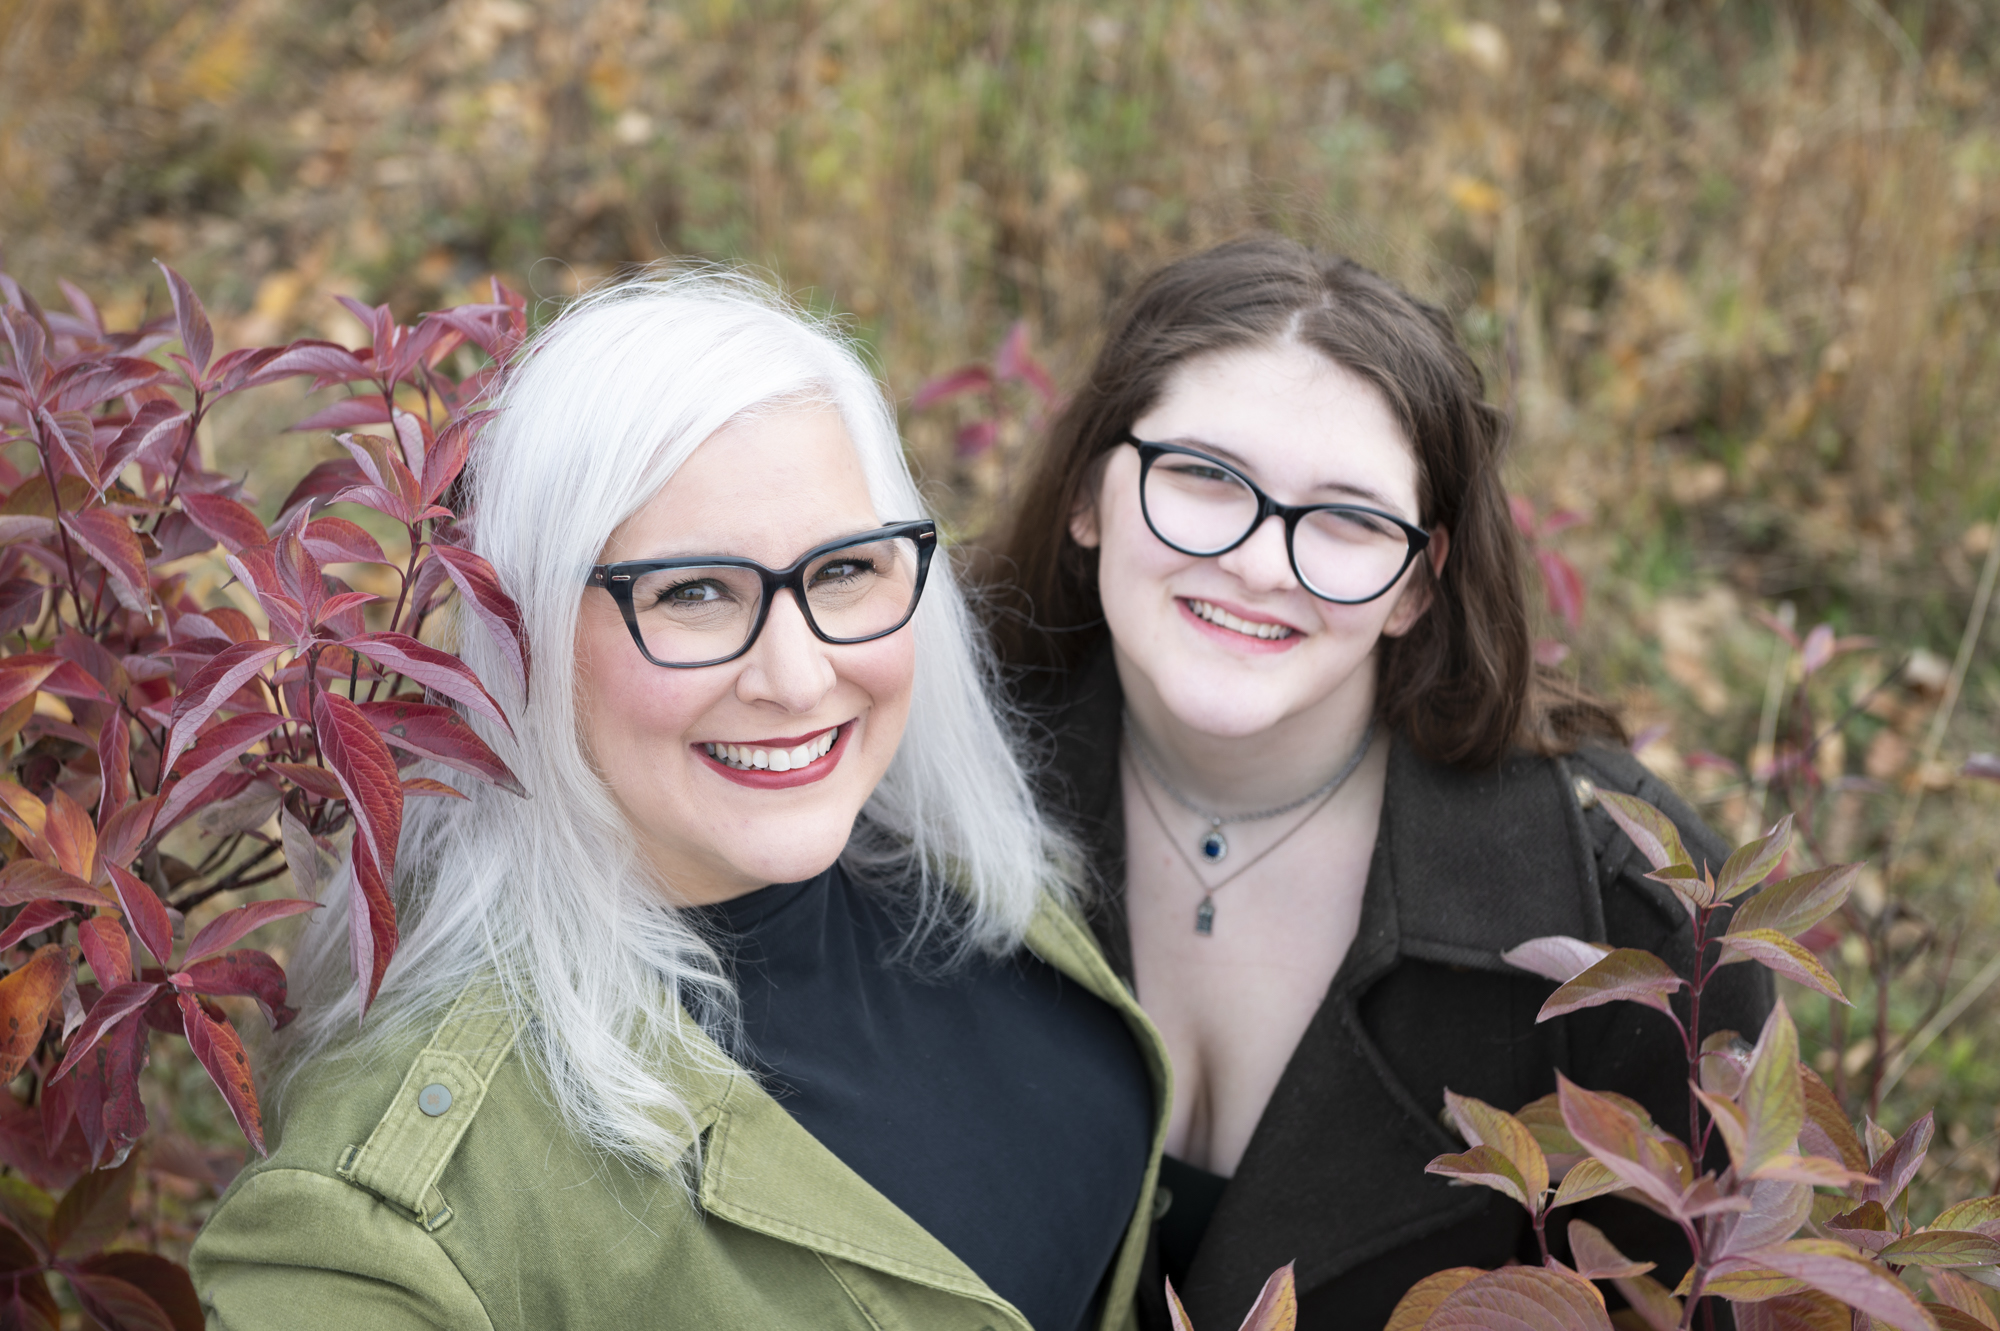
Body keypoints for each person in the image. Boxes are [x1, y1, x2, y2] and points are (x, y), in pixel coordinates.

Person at [192, 270, 1167, 1331]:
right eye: (693, 592)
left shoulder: (951, 864)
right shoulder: (391, 1225)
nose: (796, 678)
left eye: (843, 569)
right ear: (528, 631)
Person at [981, 236, 1771, 1331]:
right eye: (1205, 476)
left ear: (1415, 583)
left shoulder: (1632, 922)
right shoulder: (926, 787)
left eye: (1349, 517)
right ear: (1086, 494)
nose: (1260, 562)